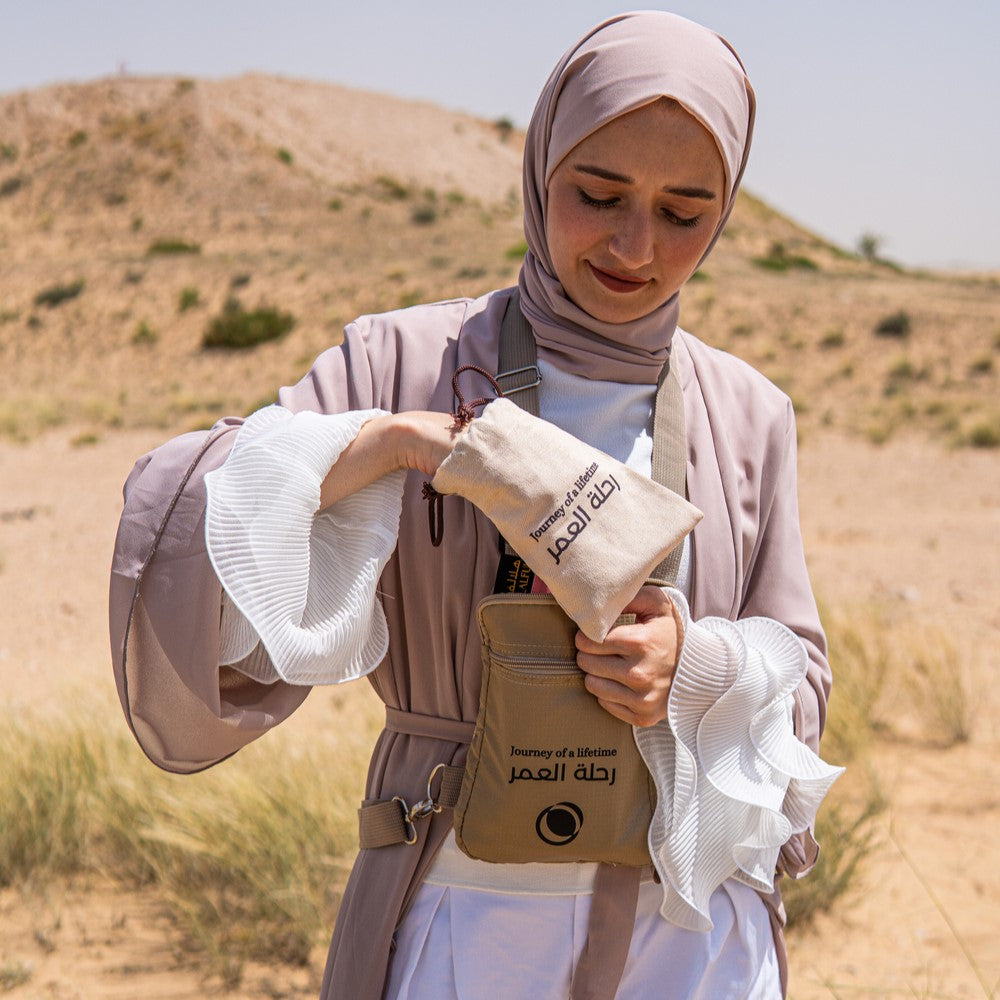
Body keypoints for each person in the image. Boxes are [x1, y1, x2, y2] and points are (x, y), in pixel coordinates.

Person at [110, 11, 840, 999]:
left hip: (687, 934)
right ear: (541, 169)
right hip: (464, 916)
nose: (635, 244)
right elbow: (195, 511)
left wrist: (693, 669)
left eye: (684, 212)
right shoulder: (408, 360)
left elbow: (802, 683)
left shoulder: (745, 411)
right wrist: (392, 443)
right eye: (598, 193)